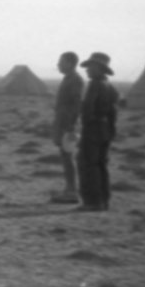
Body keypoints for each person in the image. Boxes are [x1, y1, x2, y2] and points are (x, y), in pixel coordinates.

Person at [75, 52, 119, 212]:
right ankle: (103, 200)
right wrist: (111, 131)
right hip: (105, 130)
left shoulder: (94, 85)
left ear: (100, 68)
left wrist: (84, 128)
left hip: (92, 129)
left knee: (88, 164)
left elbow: (87, 109)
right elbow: (113, 113)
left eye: (91, 67)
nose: (87, 70)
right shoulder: (110, 86)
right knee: (101, 165)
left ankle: (92, 202)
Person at [50, 51, 83, 204]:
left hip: (67, 125)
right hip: (63, 123)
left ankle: (72, 191)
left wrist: (70, 126)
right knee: (65, 157)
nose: (58, 65)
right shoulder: (68, 79)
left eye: (61, 62)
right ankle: (69, 189)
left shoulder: (75, 80)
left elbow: (76, 104)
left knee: (67, 157)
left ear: (70, 63)